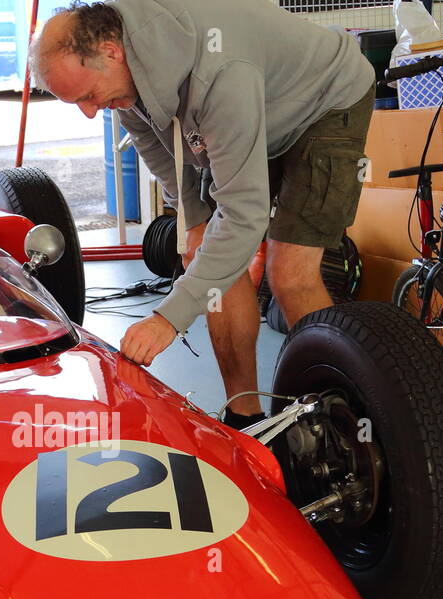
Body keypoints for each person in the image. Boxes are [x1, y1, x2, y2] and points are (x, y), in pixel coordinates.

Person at [32, 0, 374, 428]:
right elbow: (156, 150)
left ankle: (341, 419)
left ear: (111, 51)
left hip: (324, 103)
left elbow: (244, 216)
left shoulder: (218, 74)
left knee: (289, 272)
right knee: (209, 254)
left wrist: (168, 319)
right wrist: (193, 220)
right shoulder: (121, 80)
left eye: (86, 96)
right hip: (251, 107)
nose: (89, 110)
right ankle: (243, 413)